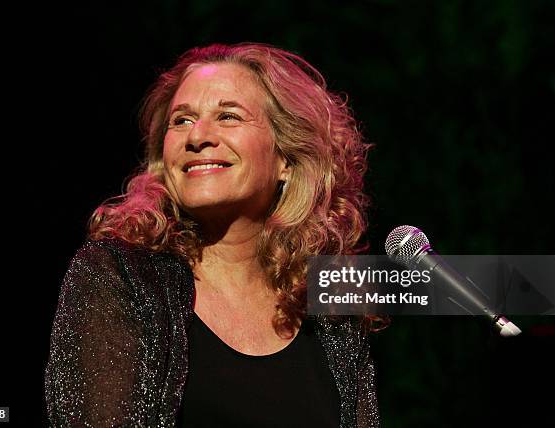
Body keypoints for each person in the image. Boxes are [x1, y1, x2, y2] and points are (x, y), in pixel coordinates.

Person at [45, 42, 381, 427]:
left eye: (228, 116)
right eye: (182, 120)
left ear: (286, 159)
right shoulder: (119, 276)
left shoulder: (332, 306)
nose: (197, 137)